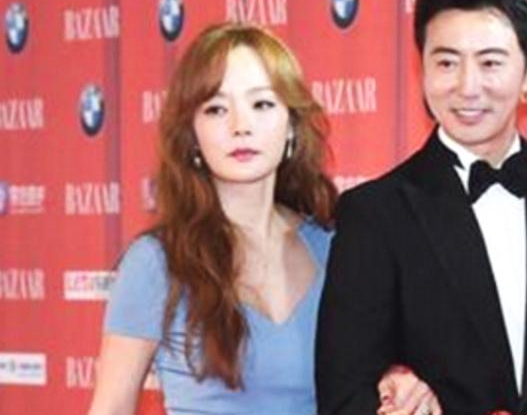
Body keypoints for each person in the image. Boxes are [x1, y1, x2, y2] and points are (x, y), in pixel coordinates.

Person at [315, 0, 527, 414]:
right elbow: (344, 395)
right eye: (446, 63)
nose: (467, 86)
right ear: (422, 67)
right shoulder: (374, 214)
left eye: (490, 62)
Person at [87, 22, 411, 415]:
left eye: (261, 104)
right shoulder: (158, 262)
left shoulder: (335, 248)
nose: (240, 126)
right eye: (216, 109)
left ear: (291, 125)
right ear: (192, 135)